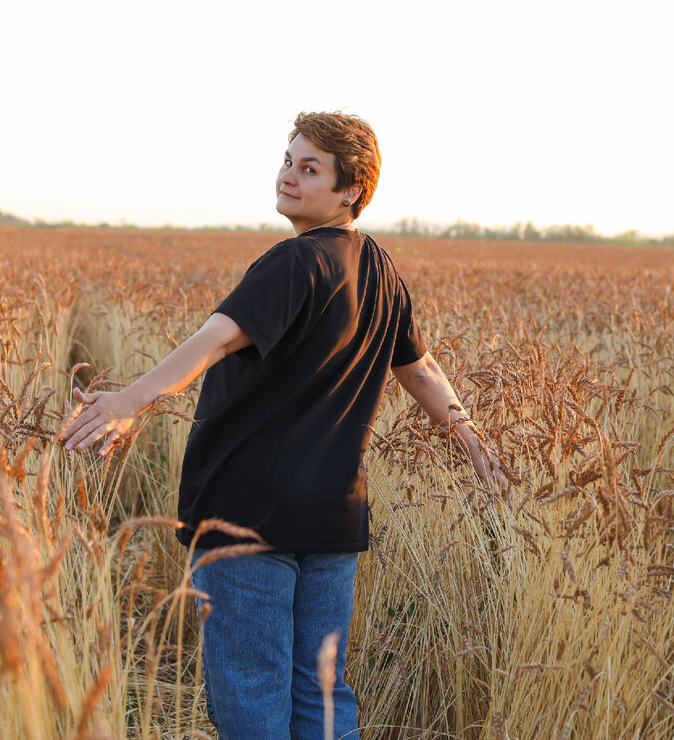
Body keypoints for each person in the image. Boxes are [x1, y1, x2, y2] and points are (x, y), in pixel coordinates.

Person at [59, 111, 509, 739]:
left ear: (351, 190)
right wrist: (472, 441)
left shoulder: (295, 261)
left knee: (252, 698)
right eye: (288, 161)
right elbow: (422, 369)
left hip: (247, 513)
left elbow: (215, 340)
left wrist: (128, 401)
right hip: (330, 519)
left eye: (310, 168)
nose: (288, 176)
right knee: (320, 696)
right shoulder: (381, 270)